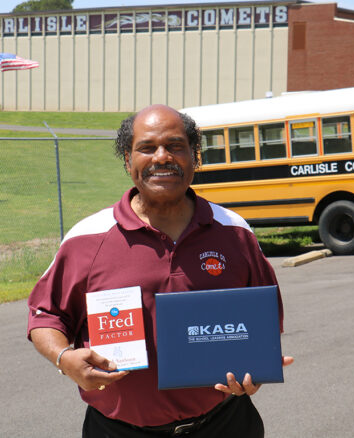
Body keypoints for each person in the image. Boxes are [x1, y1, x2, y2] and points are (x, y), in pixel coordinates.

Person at [27, 104, 293, 437]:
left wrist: (255, 369)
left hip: (224, 424)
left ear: (195, 156)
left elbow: (263, 320)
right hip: (118, 431)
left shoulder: (234, 232)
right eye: (147, 147)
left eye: (175, 146)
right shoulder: (86, 239)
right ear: (128, 159)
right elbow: (45, 316)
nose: (162, 157)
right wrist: (63, 358)